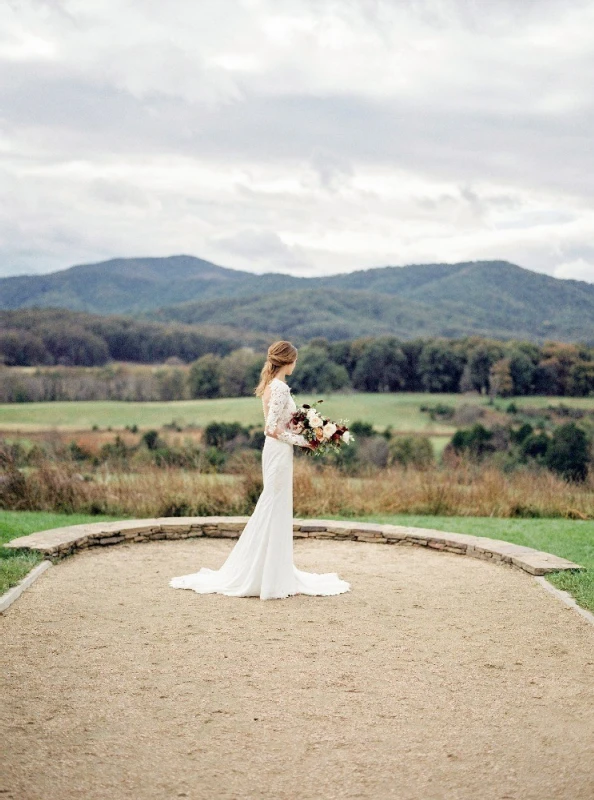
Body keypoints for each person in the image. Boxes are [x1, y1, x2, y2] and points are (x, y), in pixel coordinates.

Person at [169, 340, 351, 600]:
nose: (296, 364)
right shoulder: (279, 388)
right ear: (287, 361)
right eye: (295, 360)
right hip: (277, 453)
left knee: (276, 507)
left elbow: (282, 424)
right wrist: (303, 440)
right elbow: (270, 428)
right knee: (272, 506)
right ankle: (265, 575)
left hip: (277, 451)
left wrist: (306, 428)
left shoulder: (273, 386)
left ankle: (274, 570)